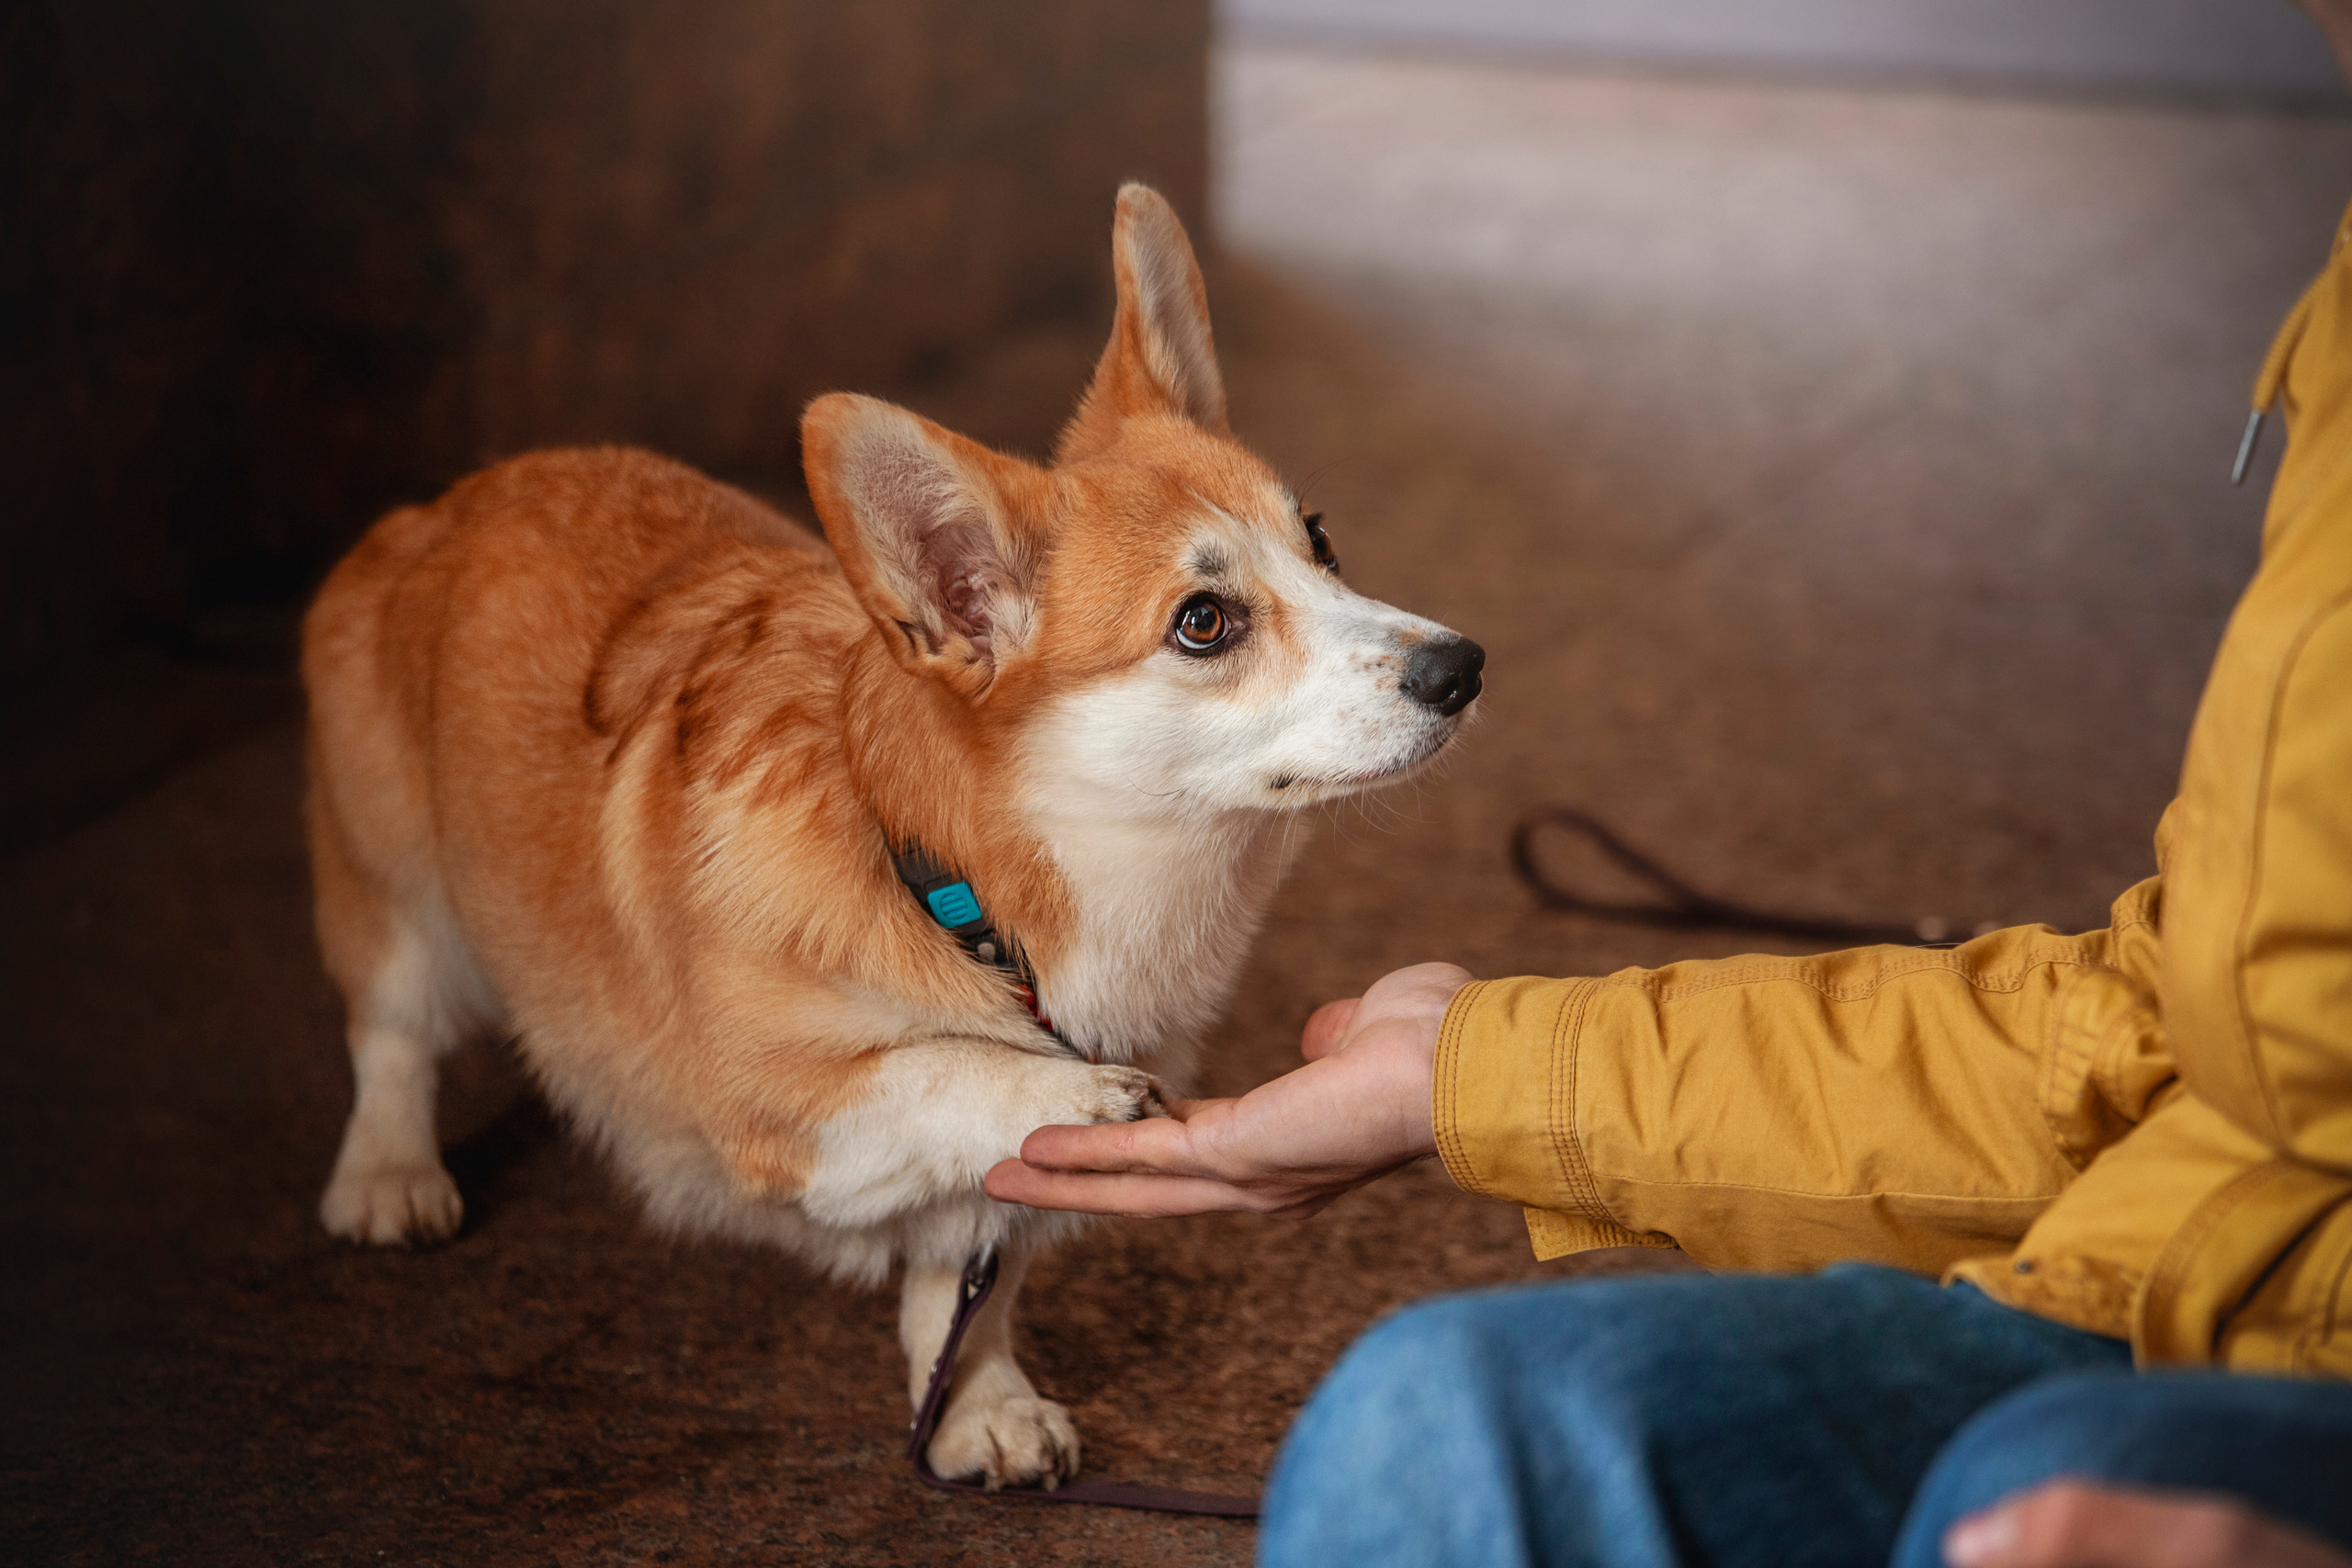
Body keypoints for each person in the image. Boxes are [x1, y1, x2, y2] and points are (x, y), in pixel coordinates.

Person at [986, 8, 2352, 1563]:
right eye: (1218, 621)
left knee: (2060, 1457)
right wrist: (1474, 1075)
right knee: (1431, 1422)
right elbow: (2184, 1030)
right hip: (2186, 1250)